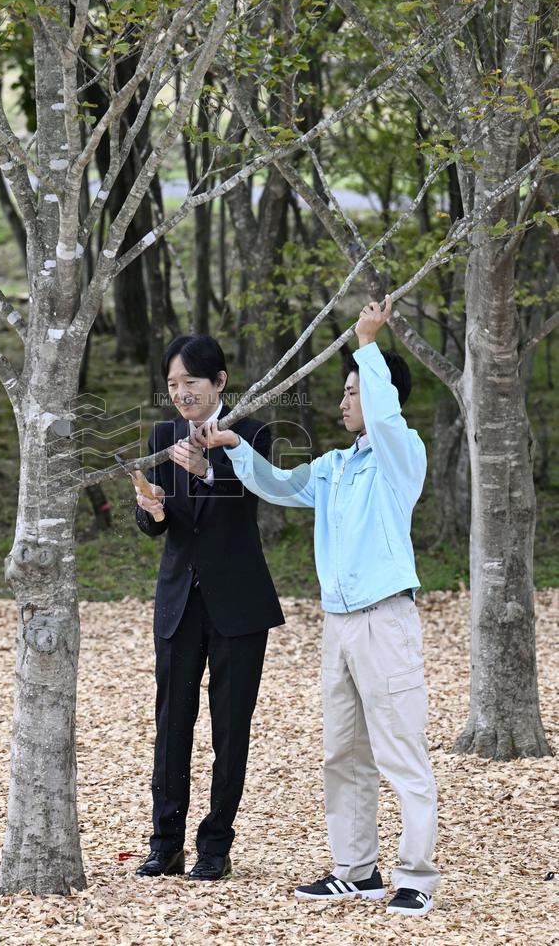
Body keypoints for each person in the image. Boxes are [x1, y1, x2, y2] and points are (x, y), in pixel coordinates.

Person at [193, 297, 440, 916]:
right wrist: (232, 448)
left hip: (385, 621)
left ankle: (417, 876)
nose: (343, 401)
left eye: (352, 391)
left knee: (401, 752)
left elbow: (383, 418)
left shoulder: (399, 454)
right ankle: (357, 871)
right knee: (343, 752)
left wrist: (367, 341)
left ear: (380, 394)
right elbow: (278, 486)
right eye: (345, 391)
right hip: (338, 625)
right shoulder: (334, 467)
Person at [133, 334, 284, 881]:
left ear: (219, 382)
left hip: (238, 602)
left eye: (190, 383)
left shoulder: (252, 433)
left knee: (230, 727)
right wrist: (149, 511)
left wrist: (207, 471)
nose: (181, 394)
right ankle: (164, 842)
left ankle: (215, 844)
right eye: (172, 385)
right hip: (179, 599)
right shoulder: (163, 434)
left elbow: (256, 501)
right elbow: (160, 525)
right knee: (171, 723)